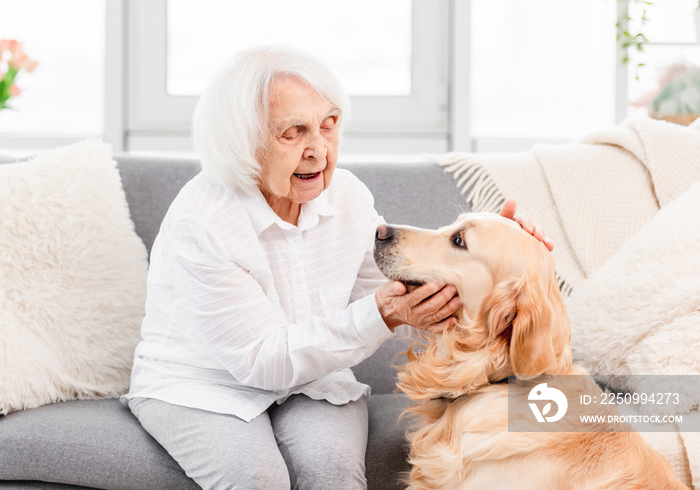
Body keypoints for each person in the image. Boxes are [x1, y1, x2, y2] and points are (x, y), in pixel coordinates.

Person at [122, 45, 552, 490]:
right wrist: (383, 314)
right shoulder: (204, 220)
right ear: (242, 141)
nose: (319, 151)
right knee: (257, 478)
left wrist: (500, 258)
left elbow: (403, 298)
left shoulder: (346, 195)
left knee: (333, 473)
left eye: (329, 126)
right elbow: (261, 360)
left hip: (311, 379)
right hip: (201, 386)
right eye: (294, 132)